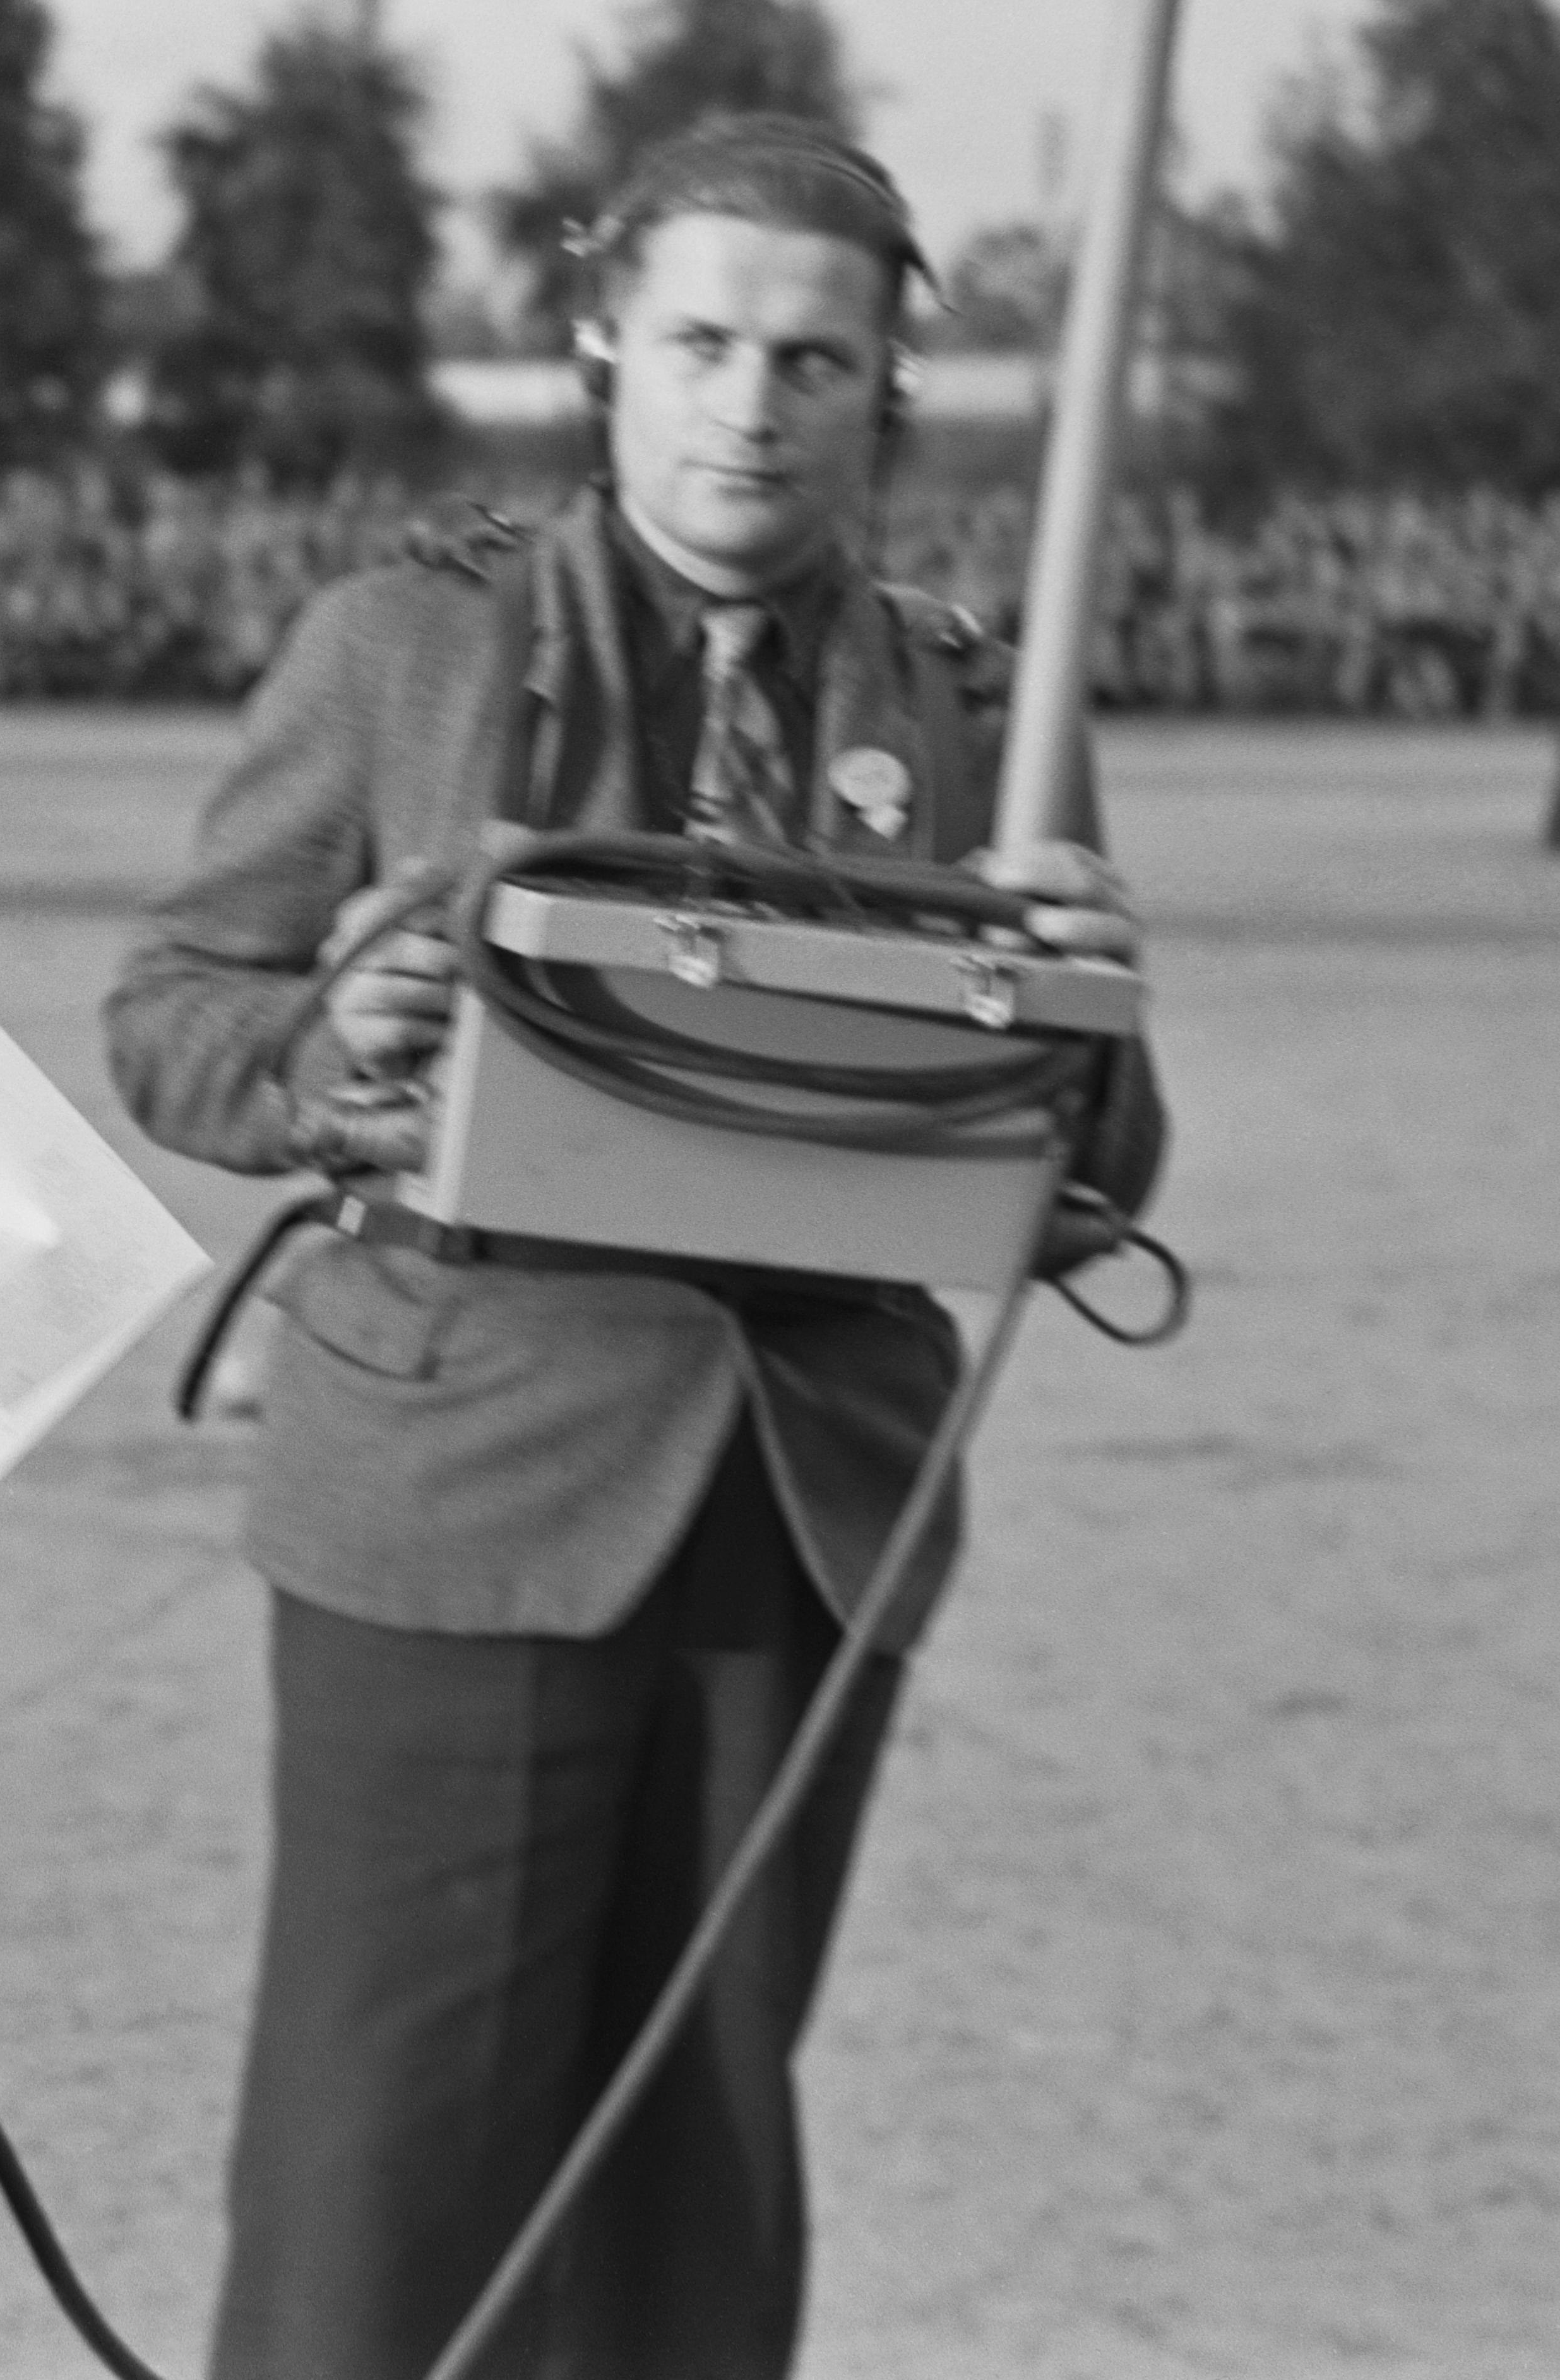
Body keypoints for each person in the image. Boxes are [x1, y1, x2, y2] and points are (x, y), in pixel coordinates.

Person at [108, 114, 1167, 2380]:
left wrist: (1089, 996)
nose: (747, 402)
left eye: (810, 357)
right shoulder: (401, 640)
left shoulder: (984, 699)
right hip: (457, 1486)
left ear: (882, 390)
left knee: (692, 2175)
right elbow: (170, 1022)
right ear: (600, 345)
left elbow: (1096, 1176)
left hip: (805, 1505)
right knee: (380, 2171)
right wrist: (337, 1042)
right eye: (699, 340)